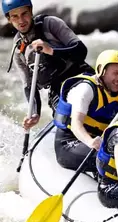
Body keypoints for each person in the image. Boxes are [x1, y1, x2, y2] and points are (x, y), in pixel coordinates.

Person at [53, 49, 118, 174]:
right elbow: (76, 125)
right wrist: (90, 142)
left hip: (97, 142)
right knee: (117, 157)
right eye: (116, 73)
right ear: (101, 70)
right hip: (70, 144)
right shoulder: (85, 89)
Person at [2, 0, 95, 130]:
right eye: (15, 16)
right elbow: (29, 86)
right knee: (63, 121)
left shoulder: (51, 24)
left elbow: (81, 50)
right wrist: (35, 113)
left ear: (31, 11)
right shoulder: (18, 50)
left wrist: (50, 50)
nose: (21, 20)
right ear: (9, 19)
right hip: (59, 91)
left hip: (81, 75)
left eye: (24, 13)